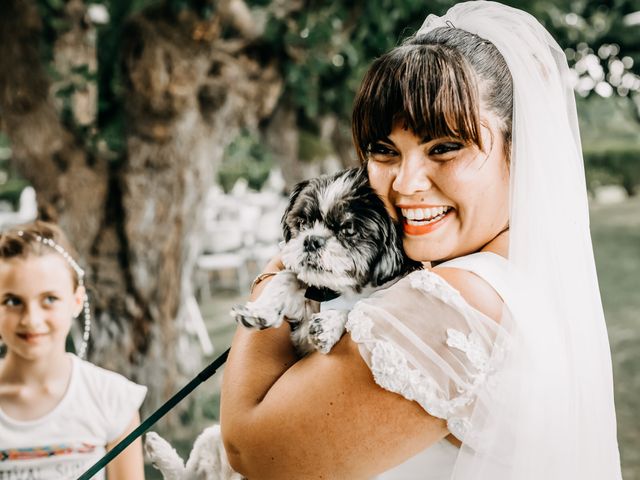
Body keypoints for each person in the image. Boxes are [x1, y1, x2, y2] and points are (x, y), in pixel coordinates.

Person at [220, 2, 622, 478]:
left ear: (521, 151)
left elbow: (252, 449)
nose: (406, 183)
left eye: (445, 147)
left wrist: (283, 269)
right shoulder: (529, 278)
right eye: (385, 151)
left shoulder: (455, 303)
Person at [0, 221, 147, 480]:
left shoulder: (111, 399)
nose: (31, 319)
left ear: (76, 301)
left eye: (49, 299)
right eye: (13, 301)